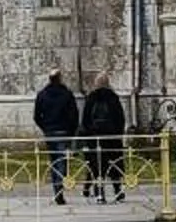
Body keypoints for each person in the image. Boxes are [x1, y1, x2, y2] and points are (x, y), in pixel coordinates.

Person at [33, 65, 81, 205]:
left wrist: (45, 128)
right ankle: (59, 189)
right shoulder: (67, 94)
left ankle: (57, 189)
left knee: (54, 161)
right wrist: (71, 131)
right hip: (63, 131)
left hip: (50, 132)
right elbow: (74, 115)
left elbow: (37, 116)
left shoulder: (42, 94)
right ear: (59, 78)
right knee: (61, 161)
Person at [80, 73, 127, 201]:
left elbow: (85, 120)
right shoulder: (113, 98)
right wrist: (119, 135)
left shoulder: (91, 98)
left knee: (97, 167)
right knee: (114, 166)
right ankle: (118, 191)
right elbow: (120, 119)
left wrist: (88, 136)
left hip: (95, 139)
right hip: (112, 138)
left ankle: (100, 194)